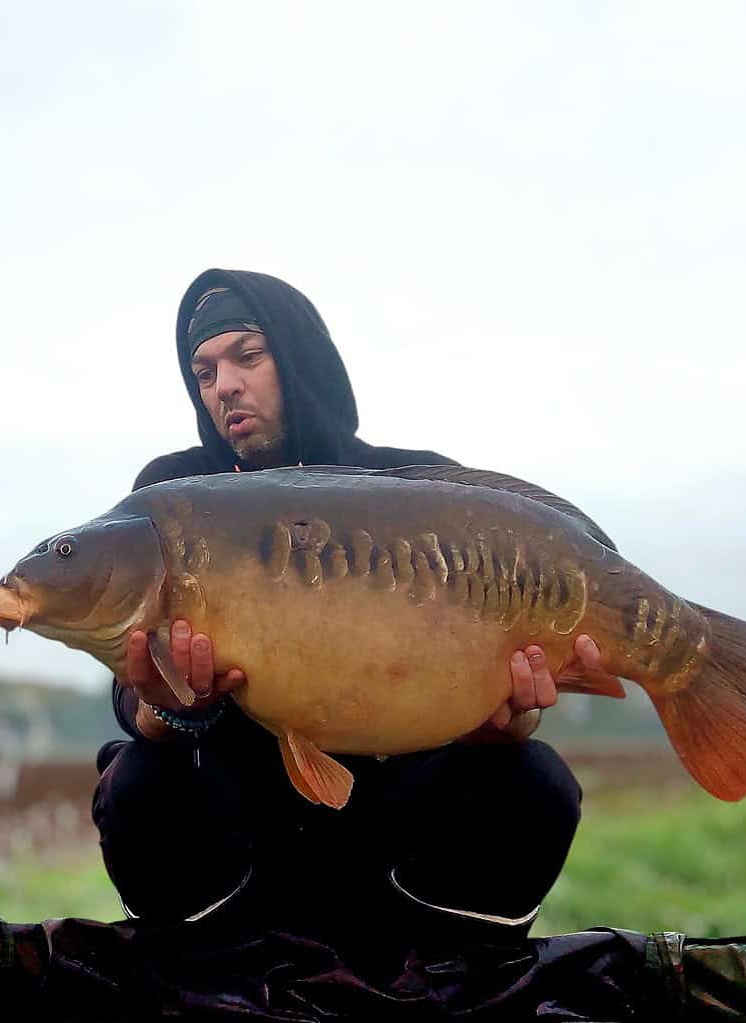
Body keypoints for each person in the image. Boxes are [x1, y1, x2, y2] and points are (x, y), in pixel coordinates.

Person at [91, 269, 609, 968]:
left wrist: (509, 717)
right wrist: (170, 708)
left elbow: (497, 664)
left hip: (400, 827)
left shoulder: (421, 488)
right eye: (204, 371)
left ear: (302, 360)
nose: (225, 386)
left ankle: (453, 972)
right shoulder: (175, 496)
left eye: (248, 356)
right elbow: (132, 692)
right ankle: (203, 963)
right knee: (138, 784)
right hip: (248, 835)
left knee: (534, 780)